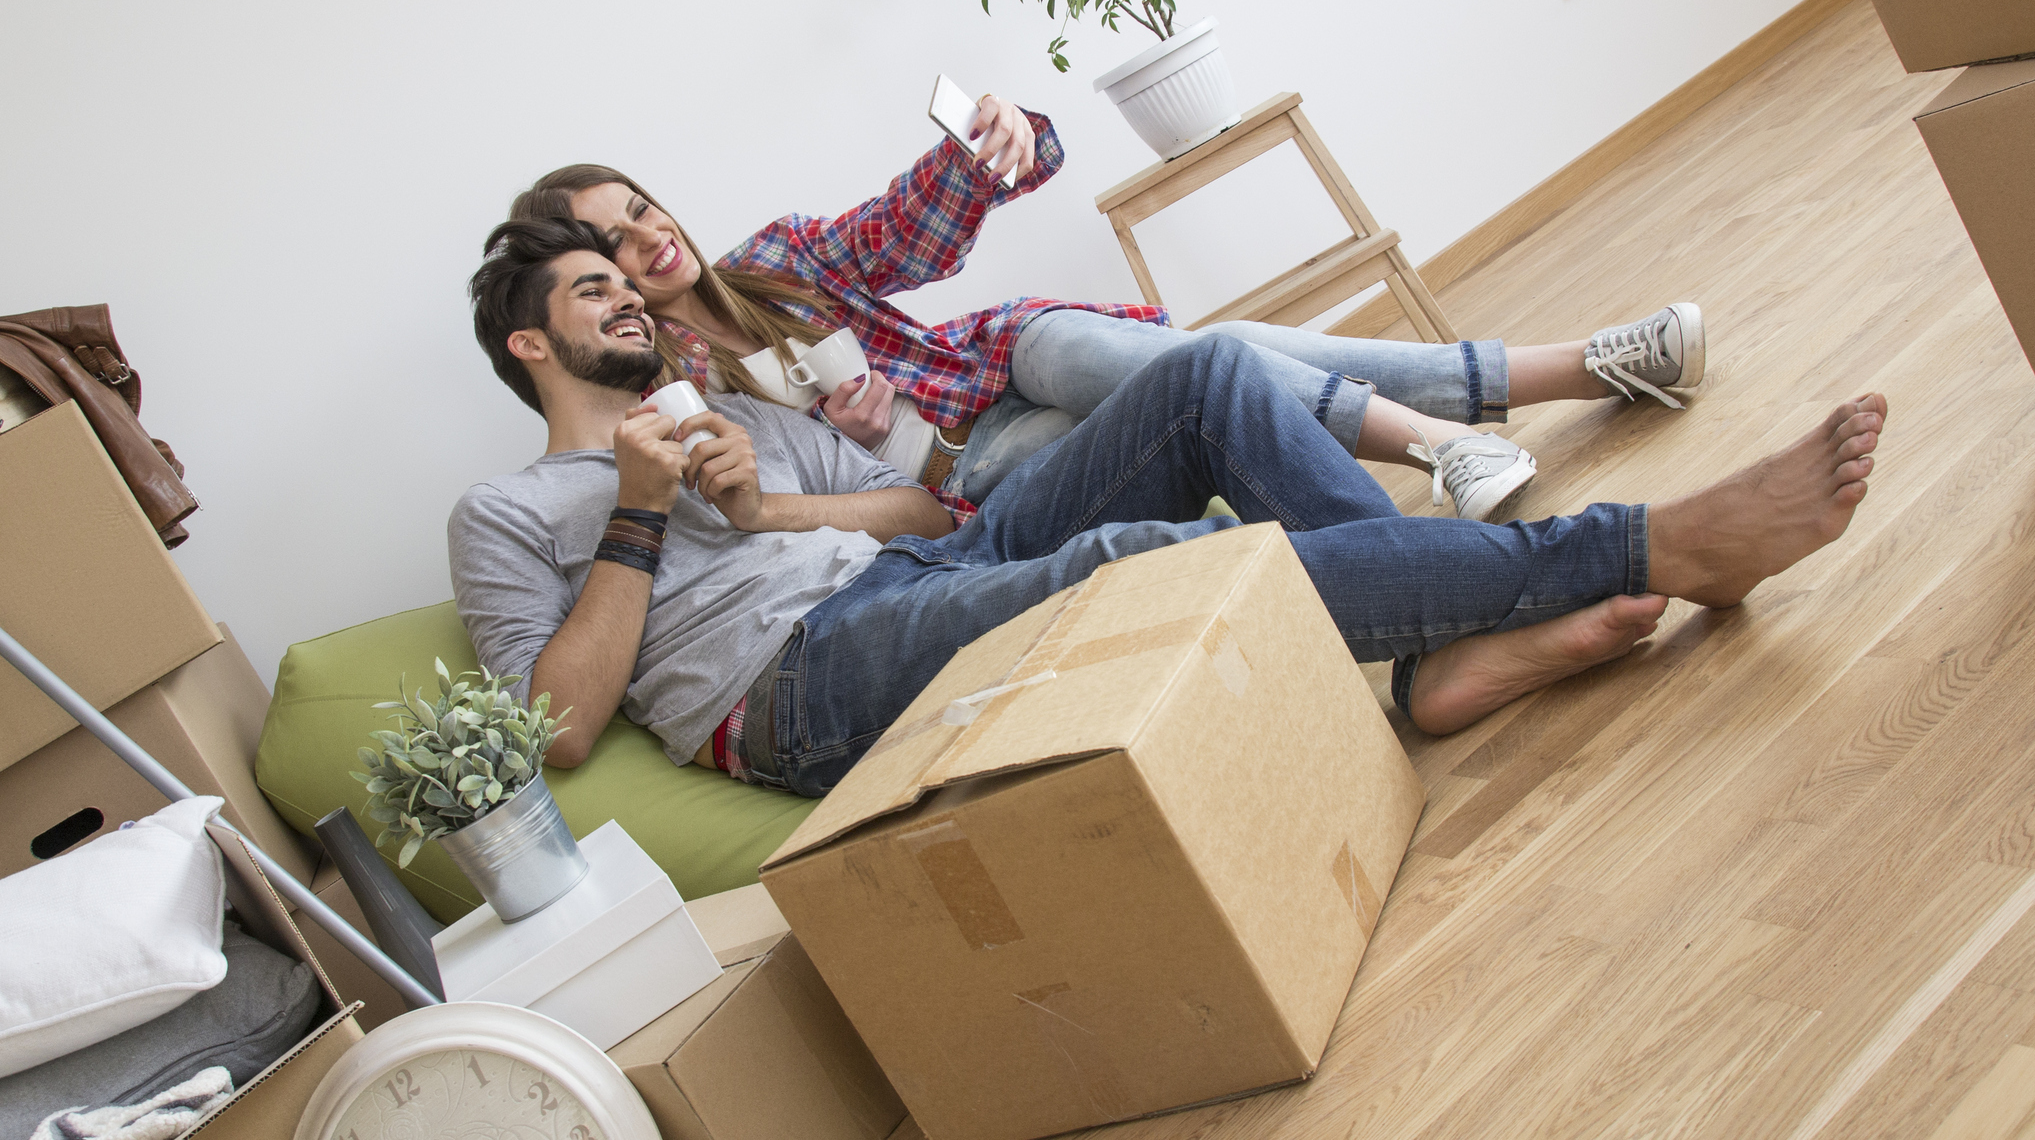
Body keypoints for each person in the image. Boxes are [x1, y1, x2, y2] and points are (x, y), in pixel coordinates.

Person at [448, 219, 1885, 793]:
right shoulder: (506, 515)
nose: (629, 298)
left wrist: (763, 506)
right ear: (529, 343)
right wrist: (641, 516)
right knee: (1146, 555)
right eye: (592, 291)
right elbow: (556, 728)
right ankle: (1643, 546)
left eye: (627, 283)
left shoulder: (745, 419)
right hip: (789, 688)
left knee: (1207, 376)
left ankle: (1438, 658)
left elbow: (927, 521)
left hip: (896, 581)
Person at [505, 97, 1706, 525]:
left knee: (1107, 346)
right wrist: (847, 438)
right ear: (588, 281)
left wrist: (1005, 141)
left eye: (643, 207)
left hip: (1008, 361)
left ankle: (1449, 442)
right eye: (611, 243)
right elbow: (781, 510)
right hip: (968, 472)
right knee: (1218, 360)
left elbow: (907, 226)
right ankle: (1587, 368)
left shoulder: (772, 262)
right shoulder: (668, 396)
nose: (647, 238)